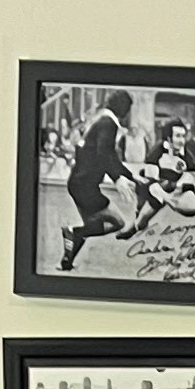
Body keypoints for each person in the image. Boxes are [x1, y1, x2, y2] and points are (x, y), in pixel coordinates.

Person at [53, 93, 136, 276]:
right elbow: (104, 153)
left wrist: (128, 176)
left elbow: (108, 155)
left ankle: (67, 262)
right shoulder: (109, 123)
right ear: (125, 110)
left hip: (78, 183)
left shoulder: (102, 121)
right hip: (86, 186)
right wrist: (117, 178)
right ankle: (73, 232)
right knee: (118, 221)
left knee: (89, 226)